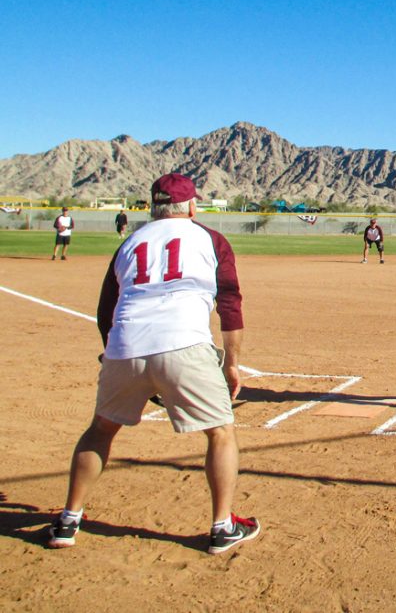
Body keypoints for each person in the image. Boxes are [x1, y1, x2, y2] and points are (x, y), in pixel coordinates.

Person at [46, 173, 260, 554]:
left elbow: (105, 310)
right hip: (185, 344)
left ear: (153, 206)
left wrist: (109, 352)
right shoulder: (211, 239)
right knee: (221, 432)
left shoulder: (130, 241)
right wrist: (231, 363)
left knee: (99, 430)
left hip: (124, 344)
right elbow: (230, 304)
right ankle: (222, 527)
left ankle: (68, 520)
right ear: (192, 206)